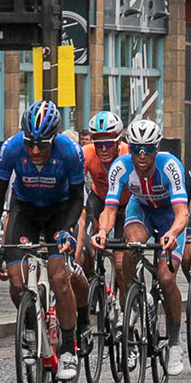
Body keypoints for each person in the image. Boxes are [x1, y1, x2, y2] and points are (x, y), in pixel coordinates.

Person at [0, 101, 88, 380]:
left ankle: (68, 348)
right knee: (16, 281)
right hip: (26, 210)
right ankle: (31, 328)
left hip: (60, 210)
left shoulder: (70, 151)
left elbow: (78, 198)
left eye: (41, 145)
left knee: (59, 278)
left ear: (54, 138)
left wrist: (68, 229)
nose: (34, 151)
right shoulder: (11, 148)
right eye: (30, 143)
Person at [92, 117, 191, 374]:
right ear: (130, 148)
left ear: (157, 149)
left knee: (166, 278)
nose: (142, 155)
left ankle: (175, 343)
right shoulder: (120, 166)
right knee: (130, 247)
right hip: (142, 210)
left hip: (169, 216)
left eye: (147, 149)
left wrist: (172, 233)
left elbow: (182, 212)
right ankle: (134, 302)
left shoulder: (170, 165)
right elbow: (110, 209)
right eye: (136, 149)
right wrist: (102, 231)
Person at [74, 110, 128, 326]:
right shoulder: (86, 153)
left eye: (108, 144)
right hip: (99, 199)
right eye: (99, 144)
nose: (103, 149)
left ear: (118, 141)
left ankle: (125, 308)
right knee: (86, 245)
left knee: (121, 262)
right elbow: (76, 188)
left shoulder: (127, 154)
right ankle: (92, 278)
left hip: (126, 204)